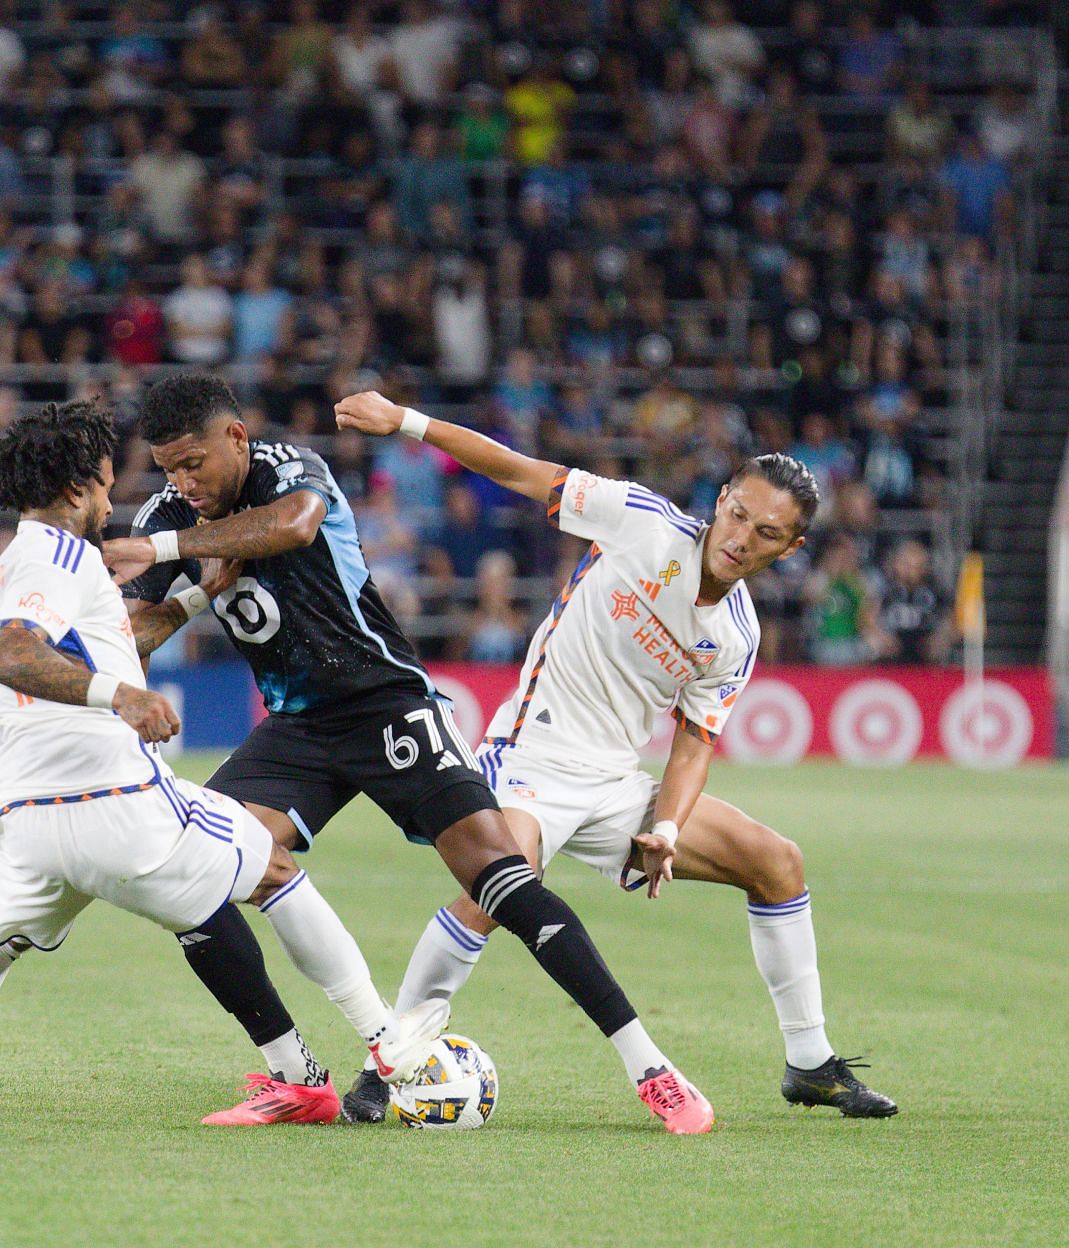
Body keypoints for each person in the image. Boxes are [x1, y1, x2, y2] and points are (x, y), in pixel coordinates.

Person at [105, 374, 714, 1134]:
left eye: (193, 463)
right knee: (193, 870)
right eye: (167, 469)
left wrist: (170, 548)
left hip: (386, 701)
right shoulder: (168, 512)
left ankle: (649, 1066)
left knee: (499, 878)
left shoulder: (287, 469)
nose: (181, 483)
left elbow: (295, 525)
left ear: (234, 438)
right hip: (296, 726)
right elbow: (137, 632)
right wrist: (192, 594)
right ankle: (298, 1075)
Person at [0, 400, 442, 1127]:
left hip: (26, 820)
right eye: (100, 485)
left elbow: (104, 638)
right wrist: (121, 695)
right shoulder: (58, 554)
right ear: (72, 491)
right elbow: (16, 654)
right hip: (117, 801)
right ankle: (387, 1042)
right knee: (275, 870)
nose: (107, 500)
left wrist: (192, 594)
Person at [332, 389, 899, 1119]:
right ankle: (385, 1067)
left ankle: (810, 1061)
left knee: (777, 861)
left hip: (613, 785)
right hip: (528, 755)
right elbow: (518, 469)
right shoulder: (640, 521)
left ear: (789, 548)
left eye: (765, 533)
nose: (740, 537)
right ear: (720, 499)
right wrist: (407, 422)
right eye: (736, 514)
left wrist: (664, 828)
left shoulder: (736, 634)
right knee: (501, 884)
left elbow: (694, 744)